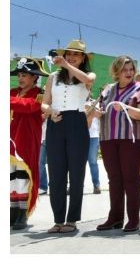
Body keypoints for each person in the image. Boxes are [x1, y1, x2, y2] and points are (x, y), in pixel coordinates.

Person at [91, 56, 140, 233]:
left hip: (133, 138)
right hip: (109, 137)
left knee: (130, 177)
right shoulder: (108, 90)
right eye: (125, 70)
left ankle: (134, 219)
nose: (129, 73)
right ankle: (115, 217)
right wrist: (97, 112)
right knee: (114, 179)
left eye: (131, 69)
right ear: (116, 72)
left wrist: (125, 108)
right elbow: (102, 110)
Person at [42, 39, 96, 234]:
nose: (72, 57)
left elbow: (88, 81)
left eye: (76, 55)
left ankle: (72, 219)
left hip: (77, 122)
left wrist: (66, 65)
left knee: (76, 173)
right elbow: (45, 103)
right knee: (56, 174)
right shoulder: (53, 77)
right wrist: (50, 111)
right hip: (56, 123)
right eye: (69, 54)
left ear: (82, 59)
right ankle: (58, 220)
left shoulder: (88, 75)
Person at [10, 58, 47, 230]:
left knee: (23, 178)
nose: (21, 78)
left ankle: (22, 215)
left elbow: (28, 106)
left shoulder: (39, 94)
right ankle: (11, 212)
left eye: (24, 74)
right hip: (9, 142)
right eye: (19, 74)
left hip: (26, 142)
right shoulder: (12, 92)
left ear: (34, 78)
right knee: (10, 179)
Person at [86, 104, 101, 195]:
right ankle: (74, 186)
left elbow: (101, 116)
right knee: (76, 163)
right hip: (78, 136)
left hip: (93, 136)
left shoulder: (96, 103)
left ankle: (96, 185)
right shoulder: (77, 100)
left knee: (93, 161)